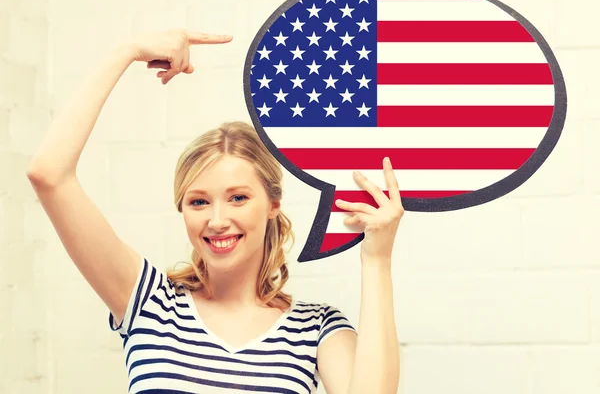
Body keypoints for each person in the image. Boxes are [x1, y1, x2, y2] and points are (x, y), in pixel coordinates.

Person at [26, 29, 403, 393]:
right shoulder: (150, 303)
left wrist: (377, 258)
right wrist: (127, 51)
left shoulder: (315, 327)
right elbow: (49, 175)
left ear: (273, 204)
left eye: (238, 198)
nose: (217, 220)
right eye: (198, 201)